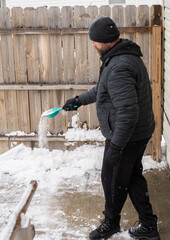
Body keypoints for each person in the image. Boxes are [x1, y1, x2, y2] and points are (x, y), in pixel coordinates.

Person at [62, 17, 160, 240]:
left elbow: (127, 113)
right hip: (137, 132)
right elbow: (103, 90)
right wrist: (79, 100)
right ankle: (149, 226)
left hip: (126, 136)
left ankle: (111, 222)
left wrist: (116, 145)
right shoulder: (121, 58)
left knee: (113, 179)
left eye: (95, 41)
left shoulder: (118, 66)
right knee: (132, 176)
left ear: (105, 41)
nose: (93, 44)